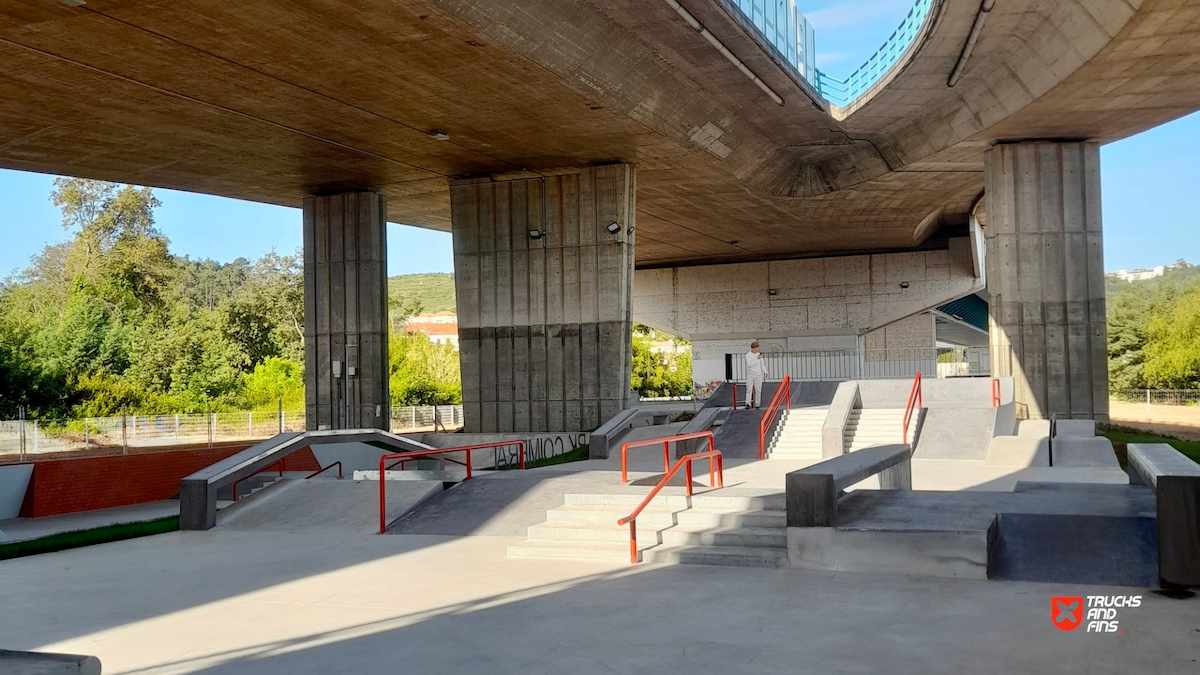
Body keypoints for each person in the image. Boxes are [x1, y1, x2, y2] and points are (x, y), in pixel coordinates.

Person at [744, 342, 766, 409]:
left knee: (758, 390)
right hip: (750, 374)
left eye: (757, 348)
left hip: (758, 374)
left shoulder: (759, 355)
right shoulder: (748, 355)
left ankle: (757, 404)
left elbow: (762, 365)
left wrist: (765, 371)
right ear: (752, 348)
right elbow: (750, 364)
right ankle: (748, 403)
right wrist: (757, 359)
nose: (756, 350)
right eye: (754, 348)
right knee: (749, 389)